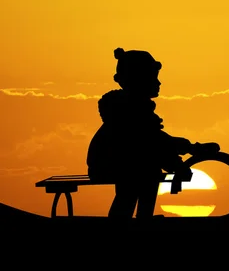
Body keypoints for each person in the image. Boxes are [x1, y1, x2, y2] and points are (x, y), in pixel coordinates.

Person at [87, 47, 220, 219]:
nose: (158, 83)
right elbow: (155, 143)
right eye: (153, 78)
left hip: (121, 161)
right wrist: (183, 157)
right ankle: (132, 221)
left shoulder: (134, 109)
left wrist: (184, 153)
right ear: (138, 80)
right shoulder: (129, 112)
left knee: (147, 168)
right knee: (144, 171)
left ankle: (141, 217)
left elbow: (157, 143)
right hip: (110, 162)